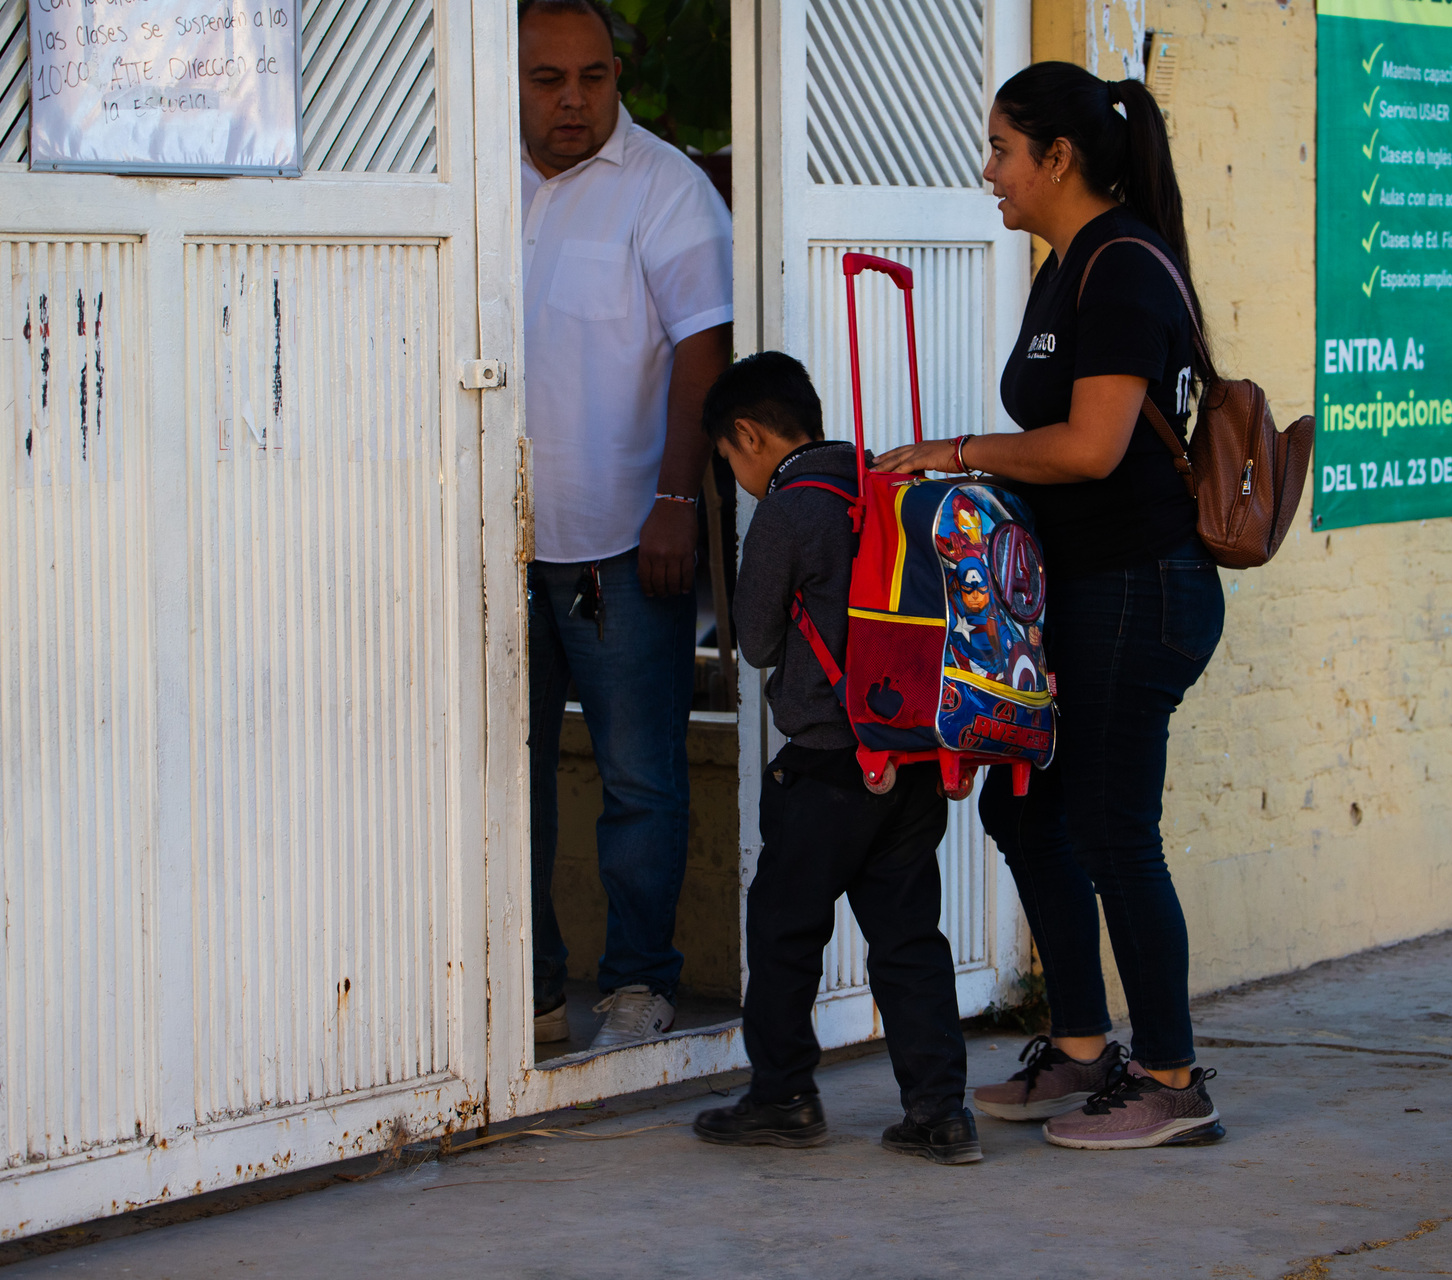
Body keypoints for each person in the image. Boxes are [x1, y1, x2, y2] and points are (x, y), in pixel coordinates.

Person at [874, 62, 1224, 1151]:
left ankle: (1173, 1077)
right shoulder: (1065, 266)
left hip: (1140, 590)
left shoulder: (1120, 269)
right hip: (1077, 594)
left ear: (1058, 157)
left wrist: (957, 450)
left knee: (1113, 830)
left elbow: (1091, 446)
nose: (989, 172)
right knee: (1024, 811)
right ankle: (1082, 1048)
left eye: (1001, 149)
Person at [689, 353, 980, 1165]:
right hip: (911, 759)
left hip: (825, 764)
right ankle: (940, 1114)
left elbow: (755, 642)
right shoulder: (889, 483)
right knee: (909, 937)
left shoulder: (789, 510)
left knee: (784, 932)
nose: (739, 477)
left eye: (730, 460)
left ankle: (782, 1096)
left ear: (748, 435)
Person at [517, 0, 732, 1050]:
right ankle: (533, 987)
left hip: (621, 540)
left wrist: (677, 501)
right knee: (504, 779)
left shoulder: (667, 189)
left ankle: (642, 983)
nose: (571, 100)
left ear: (618, 74)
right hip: (496, 543)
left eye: (592, 77)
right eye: (547, 78)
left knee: (638, 774)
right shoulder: (475, 184)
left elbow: (703, 357)